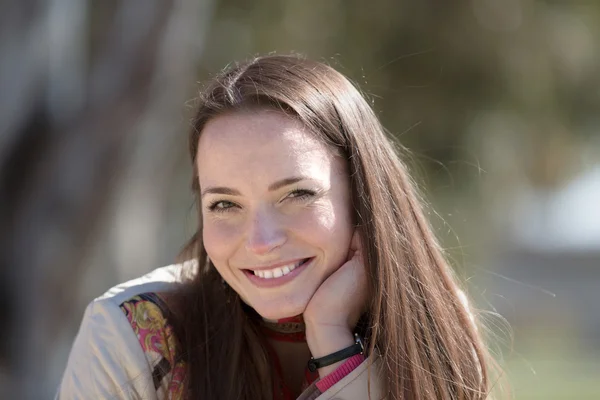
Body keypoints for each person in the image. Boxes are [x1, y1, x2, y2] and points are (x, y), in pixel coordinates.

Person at [57, 54, 498, 400]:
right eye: (225, 204)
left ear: (363, 198)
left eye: (296, 195)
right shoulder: (130, 338)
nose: (261, 241)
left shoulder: (429, 332)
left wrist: (335, 346)